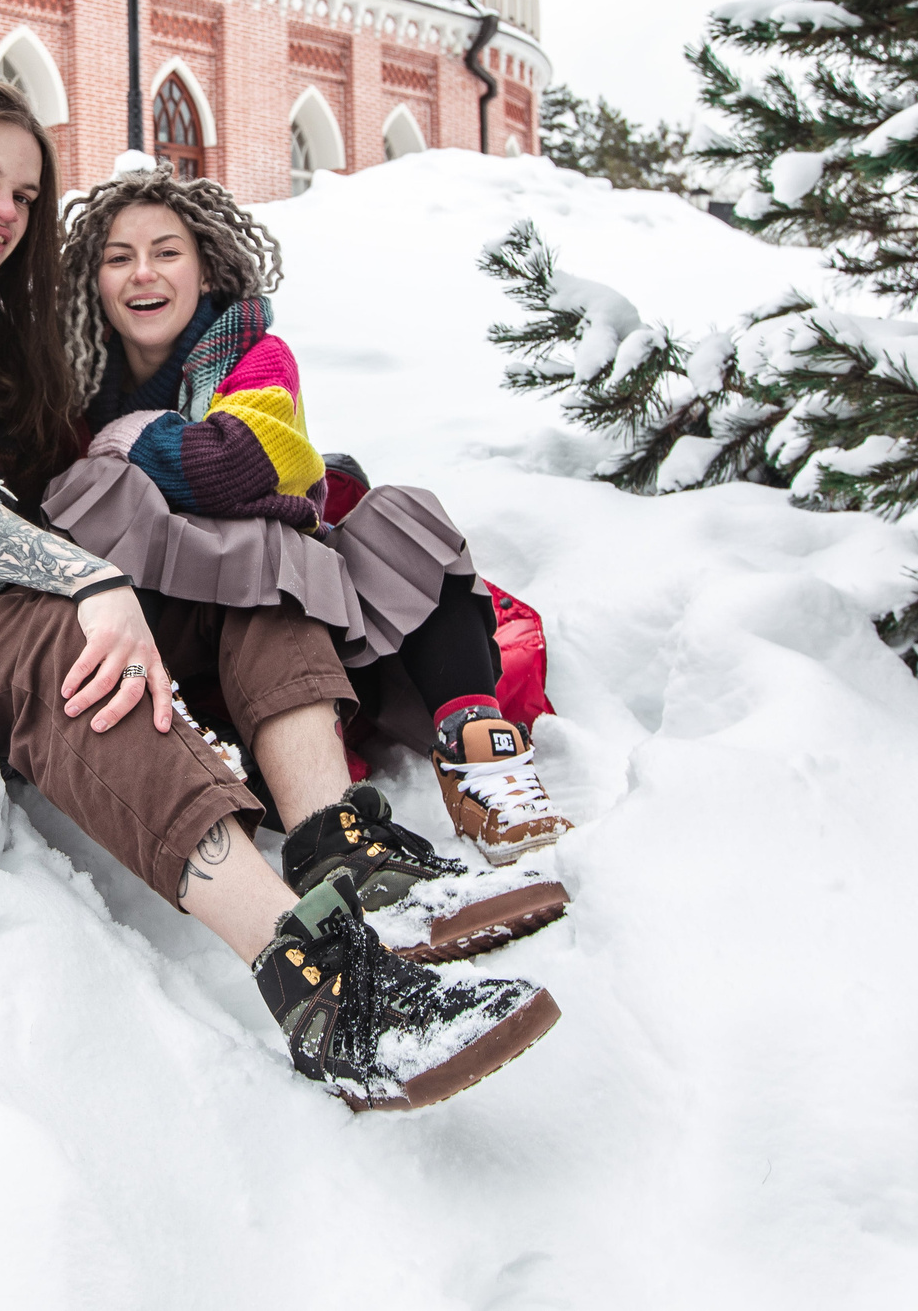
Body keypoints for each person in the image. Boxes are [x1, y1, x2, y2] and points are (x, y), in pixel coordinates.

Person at [0, 81, 558, 1110]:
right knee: (66, 637)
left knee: (245, 572)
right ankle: (324, 985)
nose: (3, 210)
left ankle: (339, 842)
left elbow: (64, 482)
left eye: (23, 192)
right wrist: (87, 578)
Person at [44, 170, 575, 907]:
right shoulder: (70, 388)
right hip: (197, 653)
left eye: (166, 252)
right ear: (92, 280)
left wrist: (135, 437)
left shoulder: (257, 356)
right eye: (118, 257)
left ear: (207, 269)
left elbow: (239, 465)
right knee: (102, 491)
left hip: (310, 621)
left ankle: (480, 754)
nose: (143, 273)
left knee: (398, 515)